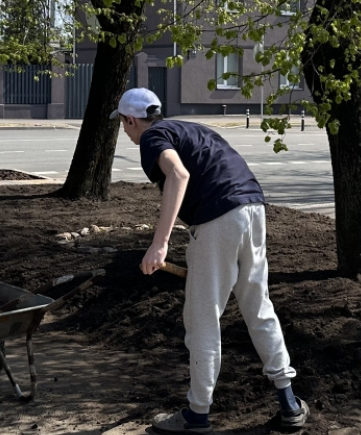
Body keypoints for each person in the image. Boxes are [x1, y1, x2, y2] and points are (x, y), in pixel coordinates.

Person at [116, 87, 308, 433]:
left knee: (202, 318)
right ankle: (289, 403)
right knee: (258, 306)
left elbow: (178, 175)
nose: (125, 131)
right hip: (252, 207)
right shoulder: (188, 128)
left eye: (122, 124)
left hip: (218, 217)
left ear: (131, 120)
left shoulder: (152, 137)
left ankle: (197, 415)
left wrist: (160, 244)